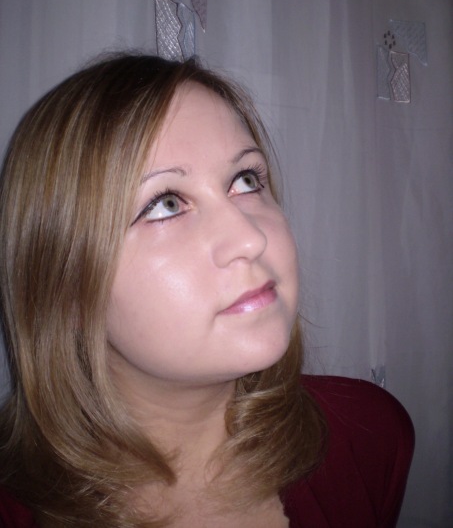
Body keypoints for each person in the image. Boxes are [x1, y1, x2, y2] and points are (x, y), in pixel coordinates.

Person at [0, 54, 414, 527]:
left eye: (246, 181)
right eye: (165, 204)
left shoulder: (366, 437)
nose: (250, 239)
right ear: (66, 293)